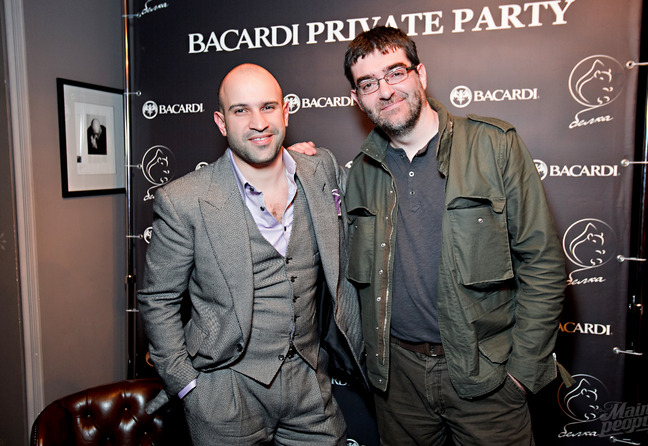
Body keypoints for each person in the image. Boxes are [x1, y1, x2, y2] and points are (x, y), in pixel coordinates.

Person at [295, 26, 567, 445]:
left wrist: (522, 374)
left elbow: (543, 264)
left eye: (395, 73)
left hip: (487, 377)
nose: (385, 91)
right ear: (357, 98)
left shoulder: (494, 145)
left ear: (420, 74)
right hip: (397, 384)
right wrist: (292, 165)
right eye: (368, 83)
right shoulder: (360, 173)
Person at [137, 63, 365, 446]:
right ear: (221, 122)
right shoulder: (183, 200)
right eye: (241, 110)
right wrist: (187, 385)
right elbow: (158, 299)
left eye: (268, 107)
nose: (258, 123)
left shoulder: (321, 169)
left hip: (309, 383)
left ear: (285, 112)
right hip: (224, 391)